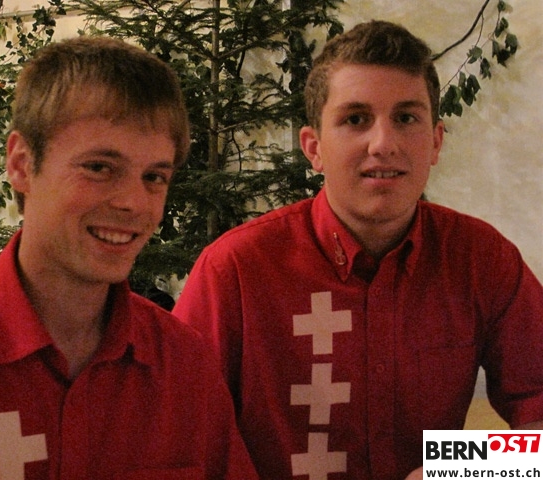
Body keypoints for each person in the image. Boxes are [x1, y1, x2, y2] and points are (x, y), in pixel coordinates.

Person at [173, 20, 543, 480]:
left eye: (405, 118)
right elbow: (172, 435)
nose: (383, 144)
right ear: (314, 148)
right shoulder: (235, 269)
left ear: (435, 142)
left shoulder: (482, 259)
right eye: (355, 119)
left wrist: (452, 469)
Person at [0, 36, 258, 480]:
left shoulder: (185, 364)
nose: (133, 202)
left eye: (154, 176)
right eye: (99, 167)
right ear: (21, 163)